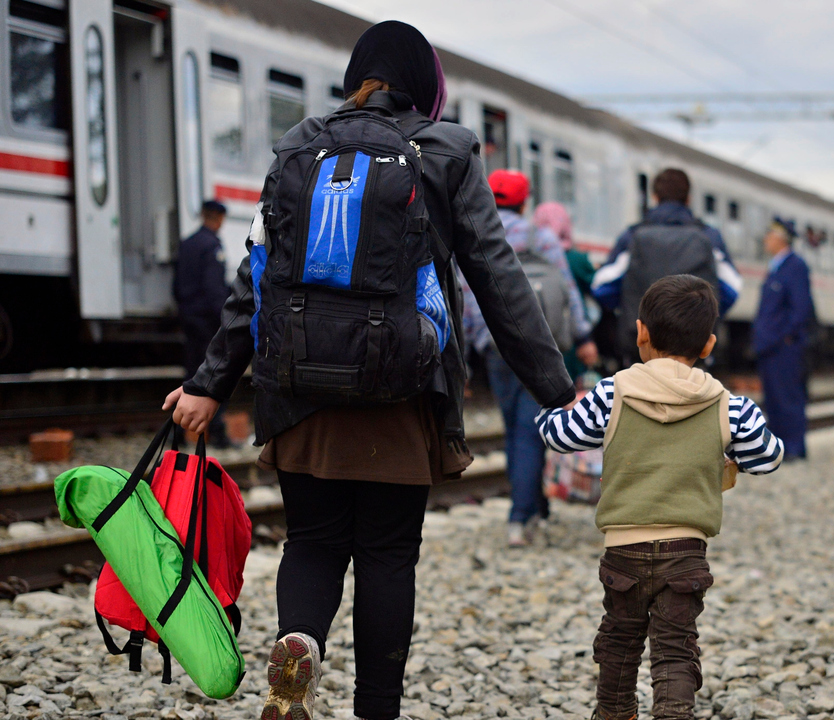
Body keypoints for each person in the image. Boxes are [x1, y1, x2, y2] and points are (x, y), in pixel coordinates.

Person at [162, 22, 574, 720]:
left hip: (301, 390)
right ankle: (375, 709)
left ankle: (298, 644)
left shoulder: (299, 145)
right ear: (426, 84)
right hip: (398, 391)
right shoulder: (446, 151)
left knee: (313, 542)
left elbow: (255, 276)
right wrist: (556, 392)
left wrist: (209, 383)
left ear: (356, 75)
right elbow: (499, 281)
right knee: (387, 554)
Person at [537, 274, 784, 720]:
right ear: (708, 345)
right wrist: (729, 453)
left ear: (641, 334)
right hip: (686, 550)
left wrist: (543, 411)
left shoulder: (611, 393)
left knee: (619, 639)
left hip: (624, 550)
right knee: (675, 647)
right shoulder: (729, 405)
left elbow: (560, 435)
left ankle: (614, 713)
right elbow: (768, 457)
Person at [461, 171, 598, 547]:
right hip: (540, 344)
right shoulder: (543, 238)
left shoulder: (472, 232)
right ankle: (523, 515)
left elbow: (465, 294)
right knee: (530, 430)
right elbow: (567, 290)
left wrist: (468, 348)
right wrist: (583, 335)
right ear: (524, 204)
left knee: (515, 429)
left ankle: (529, 509)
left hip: (494, 345)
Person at [592, 168, 742, 366]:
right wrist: (705, 318)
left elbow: (602, 288)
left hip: (642, 348)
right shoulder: (709, 237)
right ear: (688, 199)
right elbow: (731, 289)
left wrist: (628, 310)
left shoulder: (633, 236)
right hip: (693, 350)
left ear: (655, 197)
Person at [753, 217, 814, 461]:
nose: (766, 240)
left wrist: (786, 336)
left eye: (769, 235)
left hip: (783, 346)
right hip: (771, 345)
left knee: (788, 398)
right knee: (774, 400)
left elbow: (800, 308)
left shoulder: (795, 266)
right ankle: (779, 448)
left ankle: (793, 448)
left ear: (781, 239)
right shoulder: (776, 266)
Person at [173, 200, 232, 447]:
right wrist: (225, 319)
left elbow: (176, 285)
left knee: (191, 374)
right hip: (208, 322)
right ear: (218, 218)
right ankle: (217, 433)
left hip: (189, 318)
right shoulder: (212, 245)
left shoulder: (187, 243)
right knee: (215, 373)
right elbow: (214, 288)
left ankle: (178, 433)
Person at [534, 201, 598, 381]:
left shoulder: (533, 257)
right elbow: (595, 288)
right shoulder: (577, 259)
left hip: (539, 331)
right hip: (569, 335)